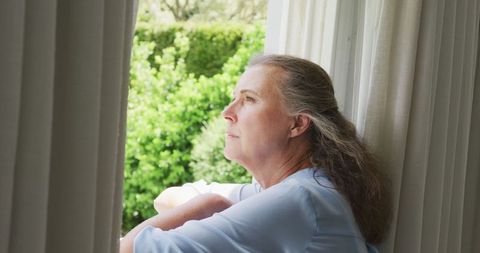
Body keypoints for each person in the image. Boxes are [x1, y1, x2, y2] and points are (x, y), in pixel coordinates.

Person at [120, 54, 391, 253]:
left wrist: (206, 206)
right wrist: (209, 201)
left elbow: (130, 249)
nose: (227, 112)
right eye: (235, 97)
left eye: (249, 99)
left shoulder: (299, 199)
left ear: (297, 124)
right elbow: (167, 198)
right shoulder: (302, 189)